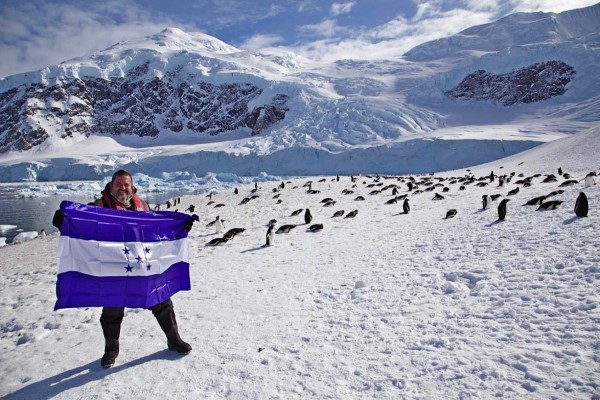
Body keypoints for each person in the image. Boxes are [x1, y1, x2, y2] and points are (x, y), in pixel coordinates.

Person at [54, 170, 192, 368]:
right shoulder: (99, 207)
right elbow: (82, 223)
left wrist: (179, 227)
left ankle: (173, 339)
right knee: (112, 310)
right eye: (118, 184)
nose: (122, 188)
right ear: (111, 186)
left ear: (132, 186)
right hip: (114, 270)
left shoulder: (142, 205)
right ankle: (111, 349)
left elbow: (156, 230)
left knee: (161, 301)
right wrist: (65, 221)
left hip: (142, 266)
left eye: (126, 184)